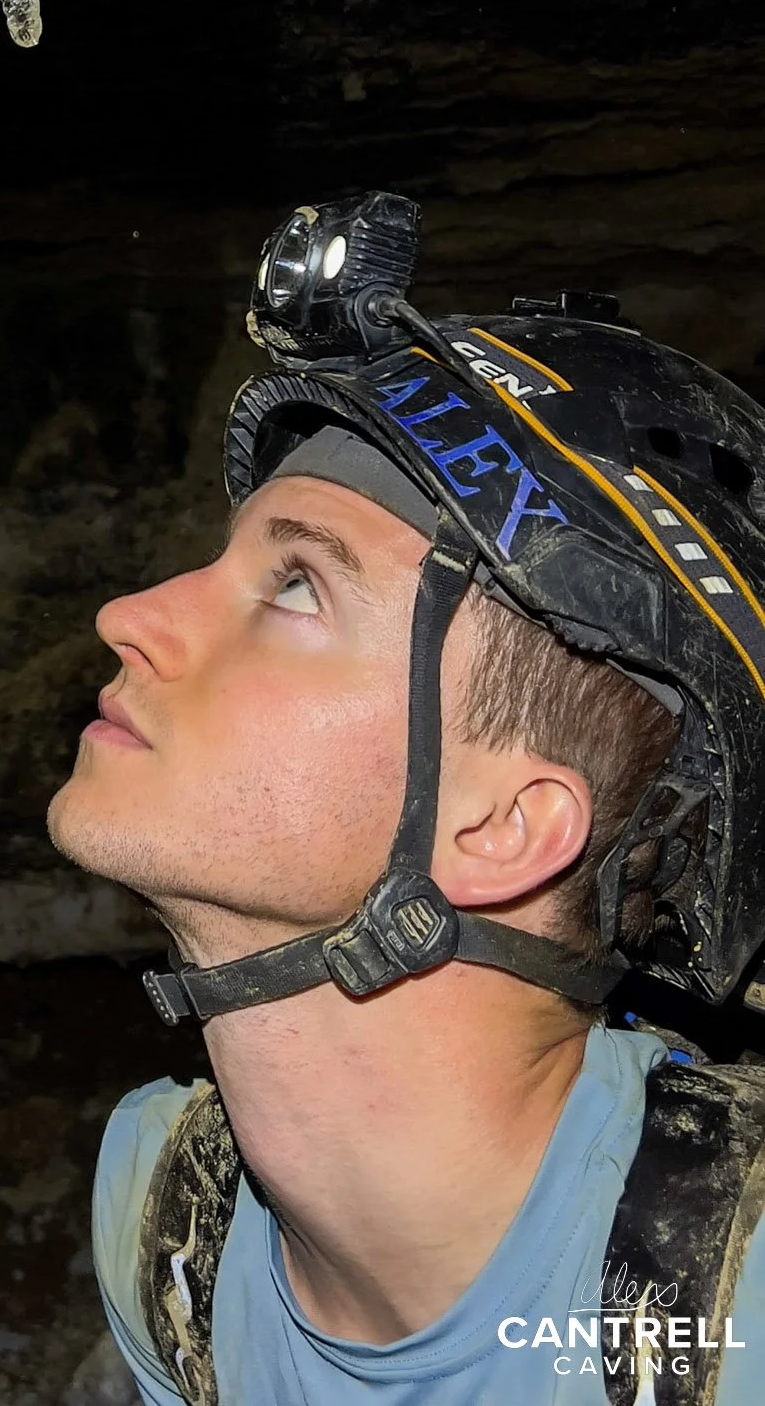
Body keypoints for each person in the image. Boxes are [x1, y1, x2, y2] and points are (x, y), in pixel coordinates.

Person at [48, 193, 765, 1406]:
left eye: (296, 590)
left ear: (501, 825)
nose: (132, 616)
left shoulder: (734, 1311)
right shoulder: (172, 1227)